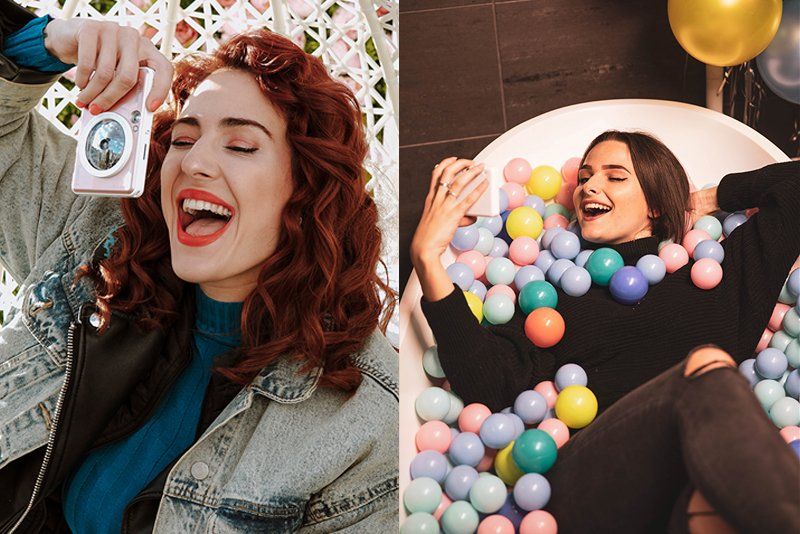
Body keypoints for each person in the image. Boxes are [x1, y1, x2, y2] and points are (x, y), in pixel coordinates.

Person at [0, 3, 398, 532]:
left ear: (307, 190)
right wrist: (47, 42)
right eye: (183, 140)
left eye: (241, 145)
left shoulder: (369, 424)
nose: (192, 162)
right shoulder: (94, 243)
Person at [410, 130, 800, 532]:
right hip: (596, 486)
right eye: (583, 177)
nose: (589, 186)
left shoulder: (719, 278)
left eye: (615, 176)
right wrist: (428, 258)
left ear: (654, 204)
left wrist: (708, 197)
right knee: (707, 369)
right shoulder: (556, 304)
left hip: (695, 489)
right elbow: (488, 385)